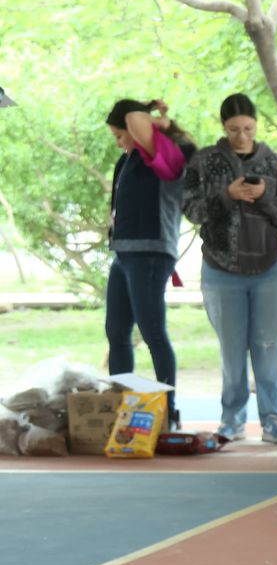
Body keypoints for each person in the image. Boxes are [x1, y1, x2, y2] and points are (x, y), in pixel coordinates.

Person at [181, 92, 277, 444]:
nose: (242, 136)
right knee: (232, 349)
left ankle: (274, 419)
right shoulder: (203, 161)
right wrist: (227, 196)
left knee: (269, 346)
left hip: (270, 268)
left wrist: (264, 197)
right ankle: (231, 419)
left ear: (256, 125)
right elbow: (191, 210)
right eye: (234, 129)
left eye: (248, 128)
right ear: (223, 127)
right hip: (221, 269)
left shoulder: (274, 163)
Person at [104, 98, 194, 427]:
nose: (119, 142)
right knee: (116, 332)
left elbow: (135, 118)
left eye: (120, 135)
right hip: (123, 254)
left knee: (153, 332)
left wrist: (153, 117)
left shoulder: (167, 154)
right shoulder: (125, 160)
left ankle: (168, 410)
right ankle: (121, 406)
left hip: (151, 254)